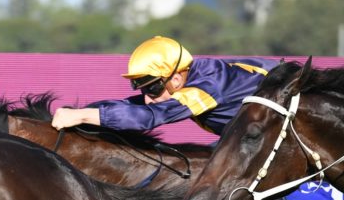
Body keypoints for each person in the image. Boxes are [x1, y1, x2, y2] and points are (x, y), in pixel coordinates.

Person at [51, 35, 280, 136]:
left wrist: (82, 116)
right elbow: (131, 105)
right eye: (143, 89)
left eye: (152, 88)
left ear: (176, 79)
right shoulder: (189, 74)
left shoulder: (206, 88)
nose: (147, 97)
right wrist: (80, 112)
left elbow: (150, 117)